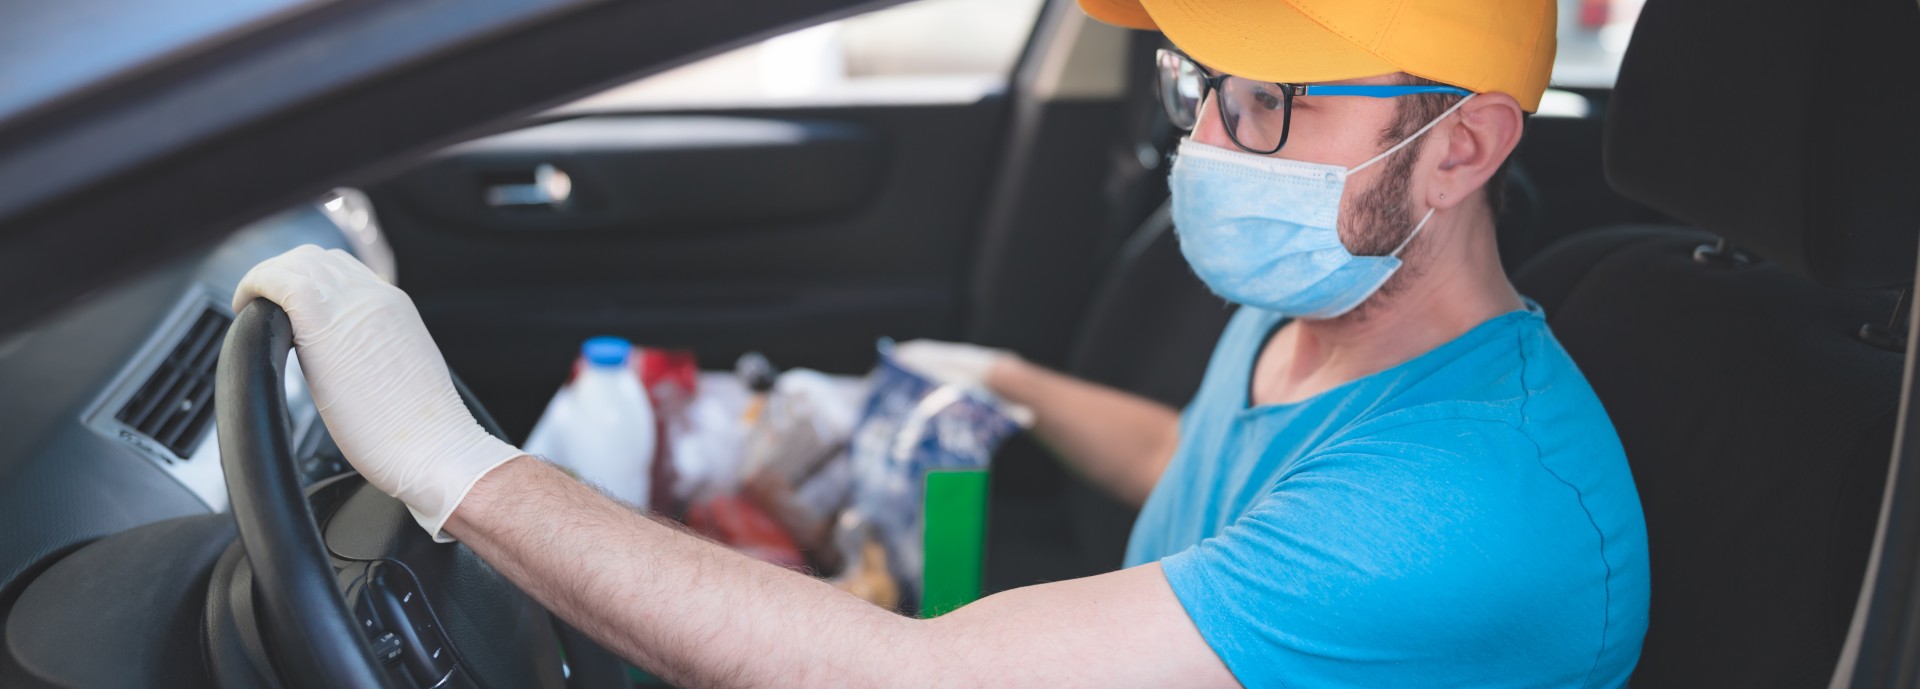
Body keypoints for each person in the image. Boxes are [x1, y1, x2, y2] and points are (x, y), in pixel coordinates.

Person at [234, 0, 1649, 685]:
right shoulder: (1333, 306)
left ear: (1460, 144)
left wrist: (454, 468)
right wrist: (1016, 385)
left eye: (1269, 102)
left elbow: (915, 681)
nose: (1211, 141)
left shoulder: (1471, 504)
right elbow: (1212, 472)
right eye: (1201, 89)